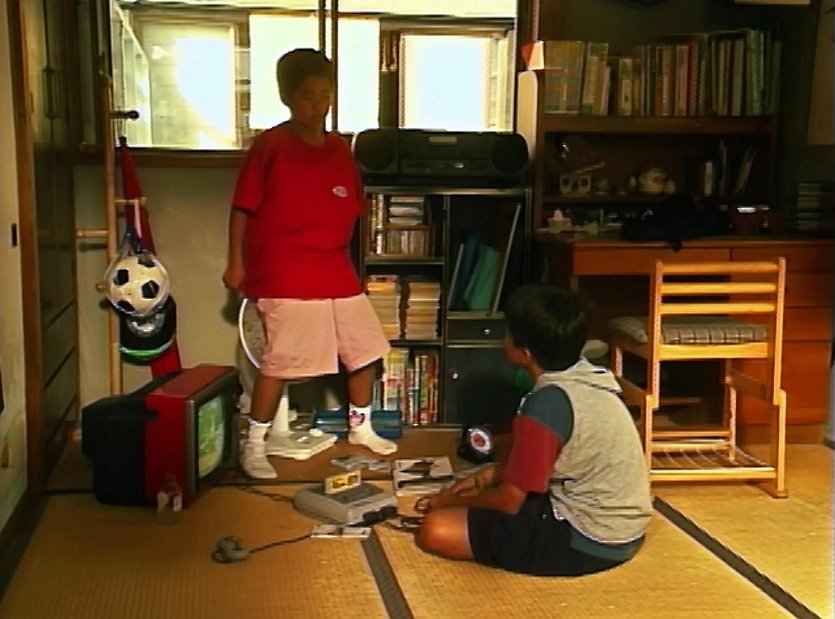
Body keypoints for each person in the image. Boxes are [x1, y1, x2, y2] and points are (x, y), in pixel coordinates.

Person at [223, 48, 397, 480]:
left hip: (334, 268)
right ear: (286, 96)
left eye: (325, 95)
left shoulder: (338, 148)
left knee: (365, 348)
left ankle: (361, 426)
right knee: (282, 361)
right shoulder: (271, 146)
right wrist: (235, 264)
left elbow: (349, 209)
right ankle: (255, 443)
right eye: (307, 96)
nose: (317, 105)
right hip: (286, 269)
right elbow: (242, 208)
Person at [415, 282, 652, 576]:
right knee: (475, 505)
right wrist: (492, 475)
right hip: (624, 529)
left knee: (436, 528)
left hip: (588, 539)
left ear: (525, 354)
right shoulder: (589, 377)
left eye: (508, 333)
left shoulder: (545, 405)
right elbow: (558, 460)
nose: (503, 340)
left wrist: (446, 499)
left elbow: (509, 502)